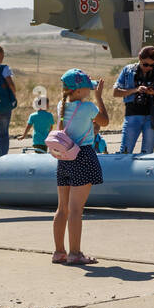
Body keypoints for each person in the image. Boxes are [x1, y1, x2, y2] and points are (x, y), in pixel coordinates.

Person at [53, 69, 108, 266]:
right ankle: (75, 253)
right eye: (87, 88)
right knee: (76, 209)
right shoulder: (87, 108)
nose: (90, 90)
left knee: (62, 208)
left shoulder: (61, 105)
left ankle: (59, 252)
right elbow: (104, 121)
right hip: (82, 156)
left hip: (64, 157)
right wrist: (99, 98)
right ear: (77, 91)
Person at [113, 45, 154, 154]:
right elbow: (115, 92)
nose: (148, 68)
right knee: (125, 151)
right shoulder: (128, 71)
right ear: (140, 59)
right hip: (132, 116)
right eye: (145, 64)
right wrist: (135, 90)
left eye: (152, 65)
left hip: (152, 117)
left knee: (147, 152)